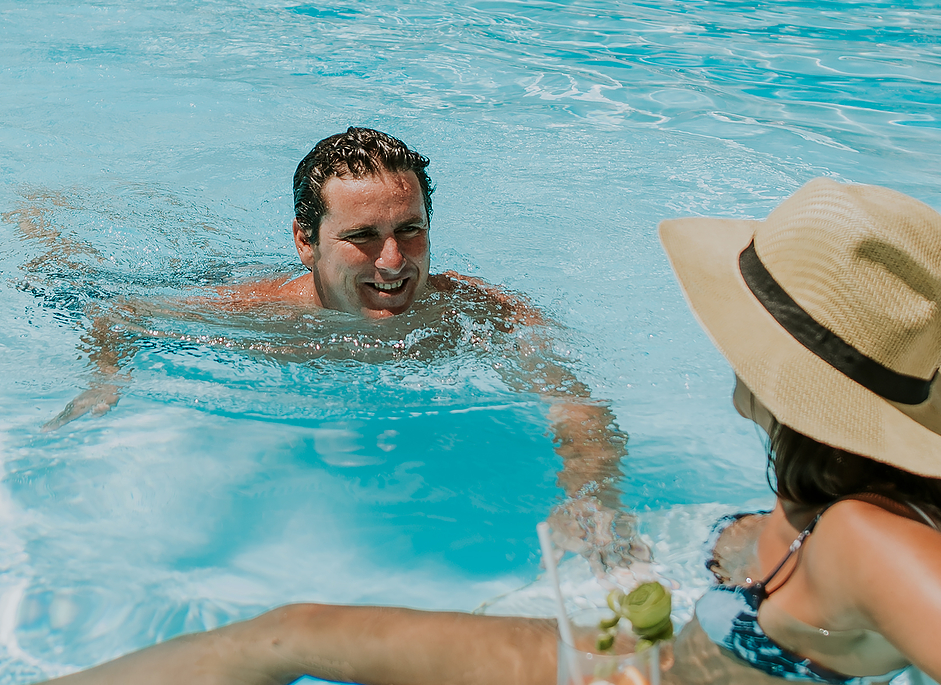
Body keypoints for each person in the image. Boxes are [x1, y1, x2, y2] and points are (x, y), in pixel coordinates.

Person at [0, 181, 941, 685]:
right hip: (633, 657)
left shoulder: (873, 534)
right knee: (304, 621)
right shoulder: (848, 501)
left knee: (293, 628)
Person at [43, 127, 624, 496]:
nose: (393, 262)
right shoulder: (257, 315)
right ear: (305, 240)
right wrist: (105, 378)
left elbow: (577, 405)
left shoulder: (476, 312)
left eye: (410, 230)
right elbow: (118, 314)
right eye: (363, 236)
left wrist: (591, 495)